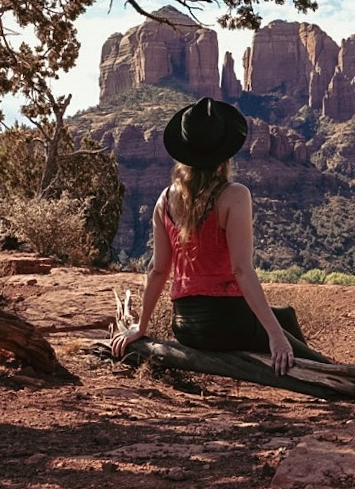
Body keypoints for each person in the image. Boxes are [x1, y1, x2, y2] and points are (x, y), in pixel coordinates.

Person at [110, 97, 331, 375]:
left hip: (185, 324)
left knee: (284, 316)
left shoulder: (164, 200)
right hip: (227, 319)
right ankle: (339, 380)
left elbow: (157, 269)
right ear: (224, 151)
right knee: (297, 343)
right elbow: (241, 269)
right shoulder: (234, 195)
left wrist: (141, 326)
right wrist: (275, 336)